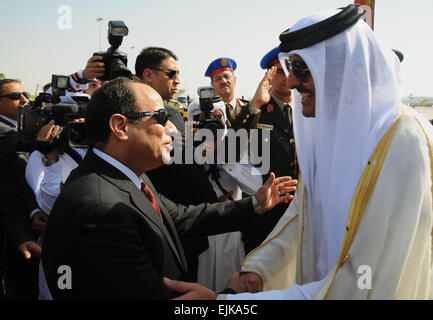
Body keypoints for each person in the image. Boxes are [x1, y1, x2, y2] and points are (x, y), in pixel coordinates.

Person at [164, 4, 433, 300]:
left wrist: (231, 303)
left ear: (341, 69)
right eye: (289, 69)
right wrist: (257, 270)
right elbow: (301, 217)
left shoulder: (403, 140)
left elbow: (365, 281)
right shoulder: (327, 136)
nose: (291, 82)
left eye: (301, 69)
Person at [41, 77, 296, 300]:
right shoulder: (98, 209)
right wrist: (229, 299)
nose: (170, 129)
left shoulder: (127, 176)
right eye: (160, 118)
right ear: (120, 127)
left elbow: (182, 217)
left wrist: (255, 204)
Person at [135, 47, 221, 281]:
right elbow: (187, 169)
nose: (177, 80)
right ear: (148, 75)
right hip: (175, 227)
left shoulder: (127, 111)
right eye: (171, 73)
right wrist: (213, 205)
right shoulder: (165, 113)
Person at [187, 98, 263, 292]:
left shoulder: (236, 149)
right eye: (204, 119)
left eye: (217, 118)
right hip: (198, 228)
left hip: (228, 229)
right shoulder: (183, 150)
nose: (210, 125)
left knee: (228, 282)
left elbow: (256, 187)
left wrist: (226, 157)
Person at [240, 46, 300, 254]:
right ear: (269, 76)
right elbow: (228, 152)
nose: (287, 76)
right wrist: (256, 103)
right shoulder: (257, 111)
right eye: (280, 70)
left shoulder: (308, 109)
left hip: (300, 212)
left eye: (291, 68)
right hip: (266, 214)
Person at [0, 79, 41, 299]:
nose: (24, 99)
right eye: (15, 96)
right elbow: (9, 188)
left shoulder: (22, 130)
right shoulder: (6, 135)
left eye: (24, 93)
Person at [205, 57, 260, 131]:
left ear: (234, 80)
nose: (223, 81)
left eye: (227, 77)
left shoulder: (250, 108)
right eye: (218, 79)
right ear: (212, 84)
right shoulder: (207, 111)